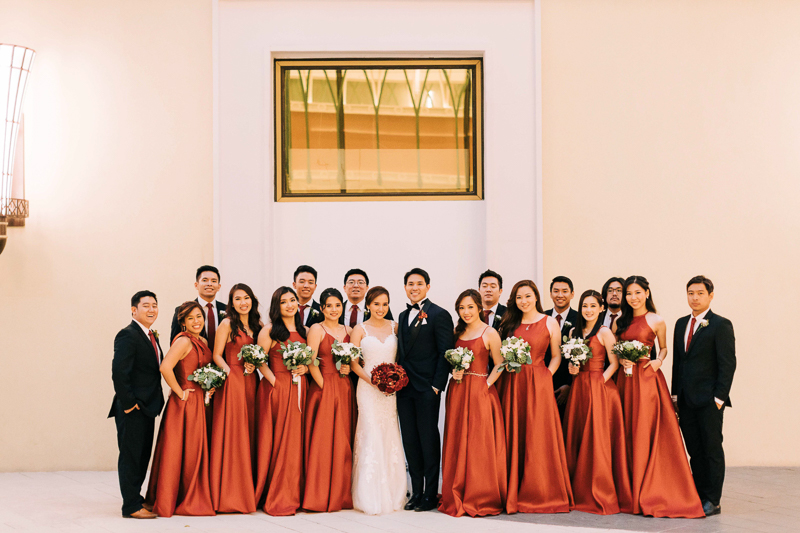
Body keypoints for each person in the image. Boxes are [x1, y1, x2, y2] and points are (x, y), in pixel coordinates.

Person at [614, 276, 704, 518]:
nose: (633, 297)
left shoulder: (656, 320)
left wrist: (658, 361)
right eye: (629, 293)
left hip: (646, 378)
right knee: (626, 428)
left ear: (646, 293)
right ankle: (628, 488)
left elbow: (663, 348)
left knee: (644, 428)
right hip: (624, 380)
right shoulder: (619, 321)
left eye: (637, 292)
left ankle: (650, 487)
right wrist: (621, 360)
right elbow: (614, 349)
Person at [497, 280, 573, 514]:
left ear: (536, 297)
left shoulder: (549, 322)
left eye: (528, 296)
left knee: (538, 434)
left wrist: (546, 376)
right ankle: (511, 488)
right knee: (514, 431)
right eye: (519, 297)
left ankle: (539, 488)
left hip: (539, 383)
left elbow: (557, 355)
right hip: (513, 384)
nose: (524, 301)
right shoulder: (509, 323)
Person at [562, 290, 632, 515]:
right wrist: (573, 368)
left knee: (597, 438)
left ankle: (599, 489)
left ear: (601, 308)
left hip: (600, 387)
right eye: (585, 306)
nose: (588, 310)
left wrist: (600, 381)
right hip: (579, 388)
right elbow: (573, 362)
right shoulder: (573, 332)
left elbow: (614, 363)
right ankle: (577, 487)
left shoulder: (604, 332)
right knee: (578, 434)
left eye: (593, 306)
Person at [438, 290, 507, 517]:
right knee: (458, 438)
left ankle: (480, 493)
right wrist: (454, 372)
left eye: (470, 307)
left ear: (479, 307)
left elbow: (500, 363)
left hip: (480, 392)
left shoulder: (490, 332)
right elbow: (450, 361)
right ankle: (457, 489)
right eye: (461, 308)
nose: (466, 312)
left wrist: (485, 384)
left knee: (478, 441)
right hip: (458, 391)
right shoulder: (457, 332)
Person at [672, 276, 736, 517]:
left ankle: (713, 500)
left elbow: (728, 364)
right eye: (691, 293)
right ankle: (698, 495)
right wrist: (675, 395)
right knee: (695, 451)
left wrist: (719, 399)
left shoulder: (721, 325)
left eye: (700, 293)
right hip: (686, 401)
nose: (695, 298)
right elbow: (679, 362)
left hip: (709, 401)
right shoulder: (681, 324)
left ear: (710, 296)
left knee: (711, 450)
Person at [145, 301, 215, 517]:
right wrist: (180, 391)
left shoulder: (202, 340)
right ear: (183, 322)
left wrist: (210, 386)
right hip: (185, 404)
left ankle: (191, 493)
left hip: (200, 402)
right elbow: (165, 367)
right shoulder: (184, 341)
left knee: (193, 451)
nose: (196, 321)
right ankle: (176, 498)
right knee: (181, 451)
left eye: (199, 317)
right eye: (190, 318)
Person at [396, 268, 455, 512]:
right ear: (405, 287)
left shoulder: (439, 314)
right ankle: (416, 492)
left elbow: (445, 352)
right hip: (403, 388)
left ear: (428, 287)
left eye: (419, 283)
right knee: (410, 440)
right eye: (410, 284)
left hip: (427, 389)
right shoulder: (402, 315)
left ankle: (430, 494)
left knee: (428, 439)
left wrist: (436, 386)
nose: (414, 287)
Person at [349, 286, 407, 515]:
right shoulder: (359, 329)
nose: (380, 308)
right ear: (368, 305)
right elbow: (353, 363)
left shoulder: (395, 327)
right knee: (371, 432)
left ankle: (394, 491)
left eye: (384, 304)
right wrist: (373, 381)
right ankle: (369, 494)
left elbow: (402, 357)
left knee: (389, 432)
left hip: (390, 392)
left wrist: (394, 380)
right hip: (367, 388)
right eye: (376, 304)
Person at [108, 291, 165, 519]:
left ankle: (136, 499)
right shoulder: (128, 335)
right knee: (131, 457)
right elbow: (119, 372)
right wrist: (130, 404)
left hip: (148, 407)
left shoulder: (150, 335)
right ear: (134, 310)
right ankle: (130, 506)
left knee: (142, 456)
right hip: (133, 408)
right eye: (146, 305)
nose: (151, 309)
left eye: (154, 305)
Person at [209, 284, 263, 514]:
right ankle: (230, 492)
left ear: (252, 300)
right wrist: (230, 373)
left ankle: (248, 488)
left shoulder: (258, 326)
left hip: (251, 382)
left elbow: (262, 354)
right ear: (232, 303)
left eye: (246, 298)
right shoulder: (227, 324)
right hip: (232, 381)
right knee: (234, 432)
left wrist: (254, 365)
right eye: (238, 299)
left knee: (249, 430)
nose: (243, 302)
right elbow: (216, 354)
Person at [253, 287, 307, 516]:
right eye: (284, 302)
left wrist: (305, 369)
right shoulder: (269, 331)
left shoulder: (304, 331)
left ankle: (294, 491)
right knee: (278, 441)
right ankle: (276, 493)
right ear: (277, 306)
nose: (290, 305)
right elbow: (259, 360)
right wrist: (276, 381)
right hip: (277, 389)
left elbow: (310, 359)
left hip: (300, 389)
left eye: (292, 300)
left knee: (295, 442)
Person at [303, 288, 355, 512]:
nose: (334, 310)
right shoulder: (317, 329)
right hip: (323, 387)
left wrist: (347, 368)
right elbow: (311, 361)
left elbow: (355, 360)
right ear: (322, 308)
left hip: (344, 387)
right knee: (323, 441)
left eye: (337, 305)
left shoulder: (349, 330)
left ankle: (341, 493)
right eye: (329, 306)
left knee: (343, 440)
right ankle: (319, 493)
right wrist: (325, 386)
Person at [544, 276, 579, 417]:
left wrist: (570, 384)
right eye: (556, 291)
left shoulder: (580, 319)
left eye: (564, 291)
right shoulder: (542, 317)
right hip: (544, 380)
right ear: (550, 293)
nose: (560, 295)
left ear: (572, 294)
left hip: (568, 384)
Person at [170, 266, 227, 346]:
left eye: (213, 281)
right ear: (196, 285)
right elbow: (174, 343)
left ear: (219, 287)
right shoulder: (182, 310)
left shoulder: (227, 310)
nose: (209, 284)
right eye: (205, 280)